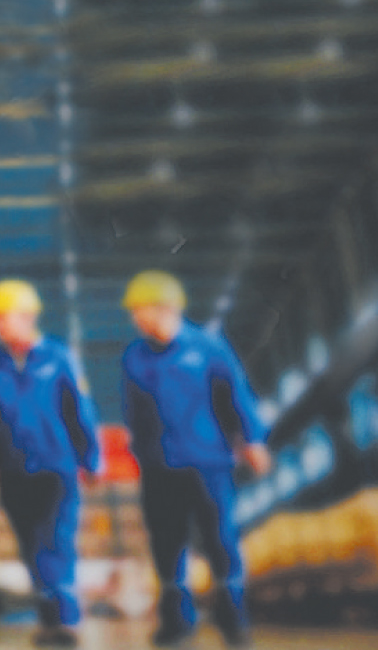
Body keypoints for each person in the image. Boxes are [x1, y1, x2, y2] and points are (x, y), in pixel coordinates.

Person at [119, 270, 270, 649]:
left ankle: (233, 619)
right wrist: (140, 453)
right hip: (159, 466)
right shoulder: (134, 357)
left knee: (220, 539)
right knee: (167, 543)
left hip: (208, 462)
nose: (135, 318)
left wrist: (251, 440)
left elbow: (235, 394)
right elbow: (134, 412)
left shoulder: (207, 348)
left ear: (165, 308)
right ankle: (176, 622)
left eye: (139, 310)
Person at [0, 279, 100, 649]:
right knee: (29, 544)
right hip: (12, 470)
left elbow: (79, 408)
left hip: (56, 466)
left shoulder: (58, 358)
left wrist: (90, 457)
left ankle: (67, 619)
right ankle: (50, 620)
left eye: (4, 317)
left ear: (28, 317)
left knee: (55, 541)